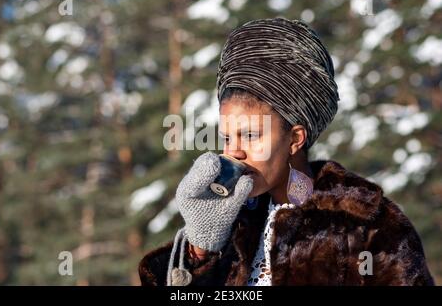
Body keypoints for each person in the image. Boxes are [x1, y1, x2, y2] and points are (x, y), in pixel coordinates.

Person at [138, 18, 434, 286]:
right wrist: (200, 249)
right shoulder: (228, 226)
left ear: (295, 138)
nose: (234, 152)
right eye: (227, 137)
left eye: (251, 135)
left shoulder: (366, 225)